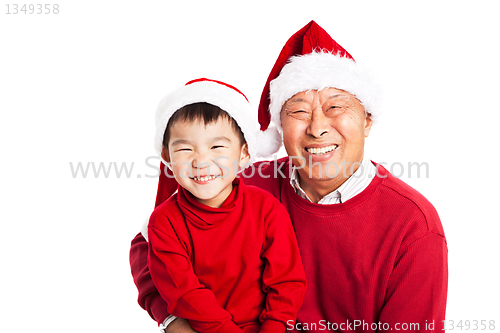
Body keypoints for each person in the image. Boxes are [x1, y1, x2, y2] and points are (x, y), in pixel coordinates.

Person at [130, 21, 448, 333]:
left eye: (336, 106)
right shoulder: (243, 184)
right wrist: (173, 320)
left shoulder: (413, 226)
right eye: (298, 111)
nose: (317, 127)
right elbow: (148, 244)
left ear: (367, 121)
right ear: (280, 126)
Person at [144, 78, 307, 333]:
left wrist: (275, 327)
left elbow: (286, 280)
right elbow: (186, 294)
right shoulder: (164, 223)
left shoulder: (266, 208)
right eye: (185, 149)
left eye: (217, 147)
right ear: (167, 157)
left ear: (243, 154)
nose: (201, 161)